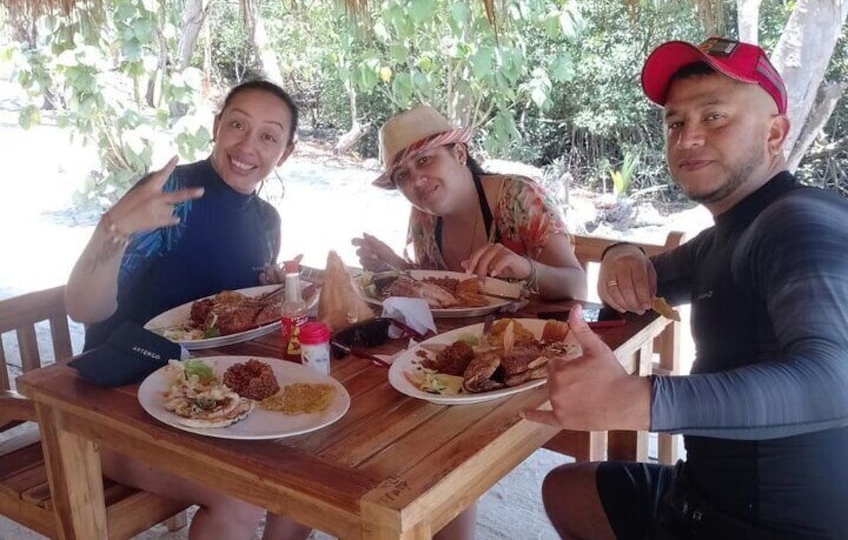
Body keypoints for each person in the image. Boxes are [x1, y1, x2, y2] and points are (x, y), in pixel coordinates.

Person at [523, 36, 848, 539]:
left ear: (775, 132)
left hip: (766, 524)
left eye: (714, 116)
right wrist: (620, 254)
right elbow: (646, 282)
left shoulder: (798, 224)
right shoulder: (733, 229)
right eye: (676, 122)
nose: (688, 137)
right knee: (567, 490)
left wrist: (639, 401)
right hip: (699, 492)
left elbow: (834, 382)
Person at [65, 79, 311, 539]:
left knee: (307, 471)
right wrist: (111, 232)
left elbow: (228, 311)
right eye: (237, 124)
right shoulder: (170, 198)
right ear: (217, 126)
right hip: (114, 409)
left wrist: (269, 295)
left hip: (205, 401)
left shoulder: (264, 221)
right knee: (242, 496)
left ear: (287, 152)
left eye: (268, 136)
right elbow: (84, 307)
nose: (247, 145)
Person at [352, 105, 587, 301]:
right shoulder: (423, 219)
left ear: (460, 154)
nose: (416, 181)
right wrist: (395, 267)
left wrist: (526, 269)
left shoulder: (518, 197)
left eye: (424, 160)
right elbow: (443, 295)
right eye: (402, 175)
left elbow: (577, 286)